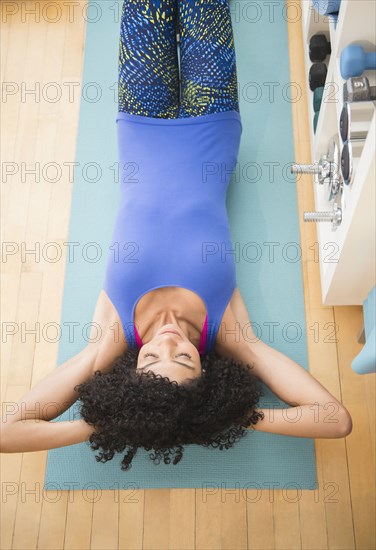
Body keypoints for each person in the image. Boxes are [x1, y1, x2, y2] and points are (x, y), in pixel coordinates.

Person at [0, 0, 352, 468]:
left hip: (139, 118)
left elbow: (8, 432)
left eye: (150, 360)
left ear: (131, 372)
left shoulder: (109, 339)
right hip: (213, 120)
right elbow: (334, 419)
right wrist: (220, 418)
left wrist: (110, 422)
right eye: (183, 358)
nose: (166, 340)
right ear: (204, 369)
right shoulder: (230, 333)